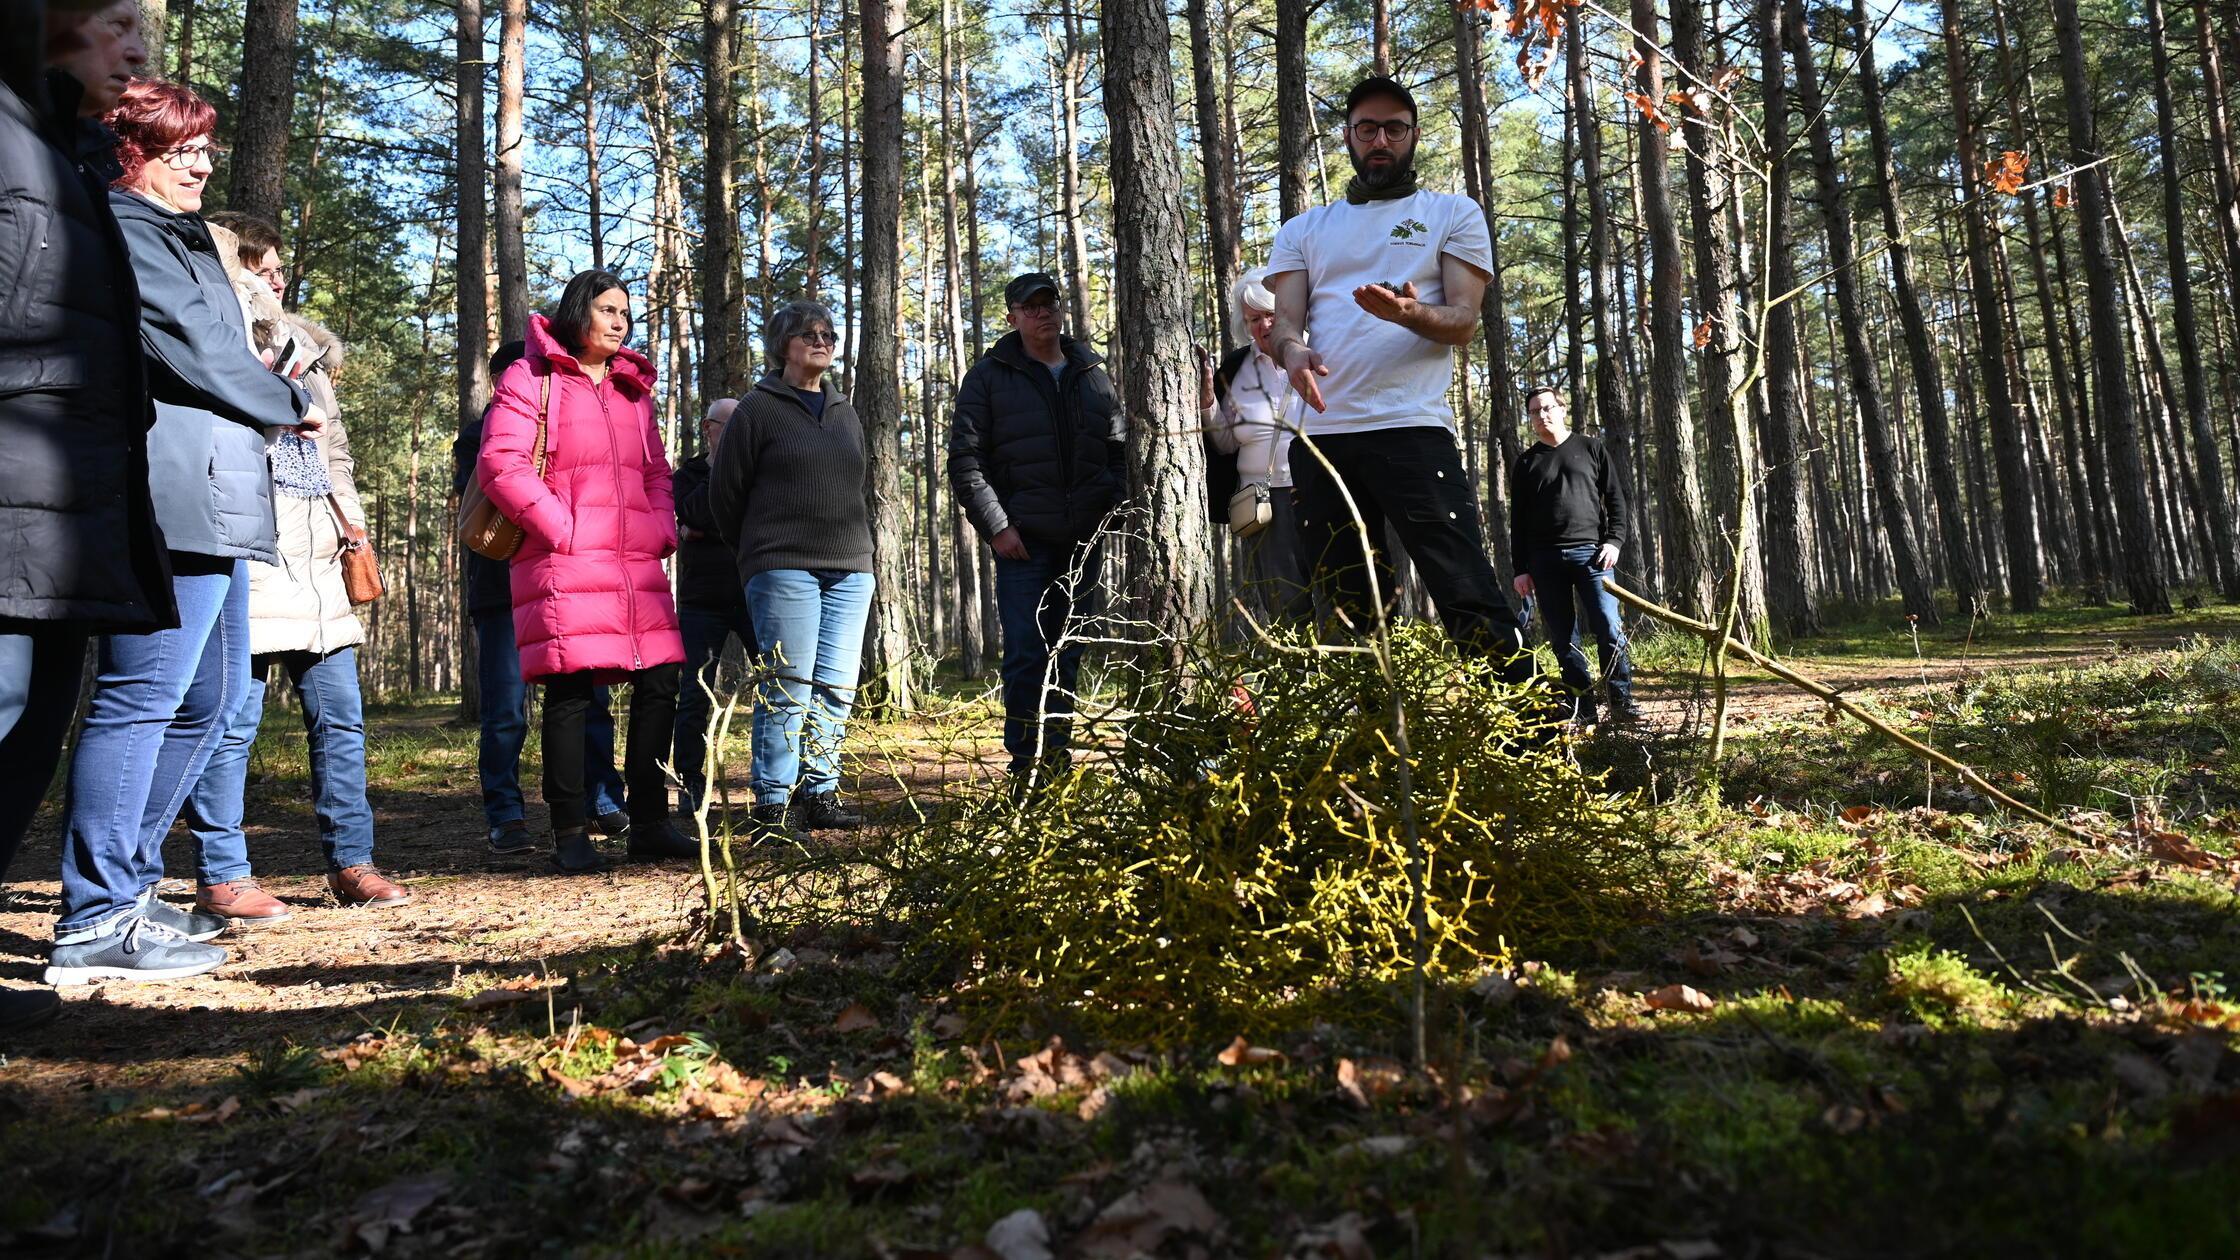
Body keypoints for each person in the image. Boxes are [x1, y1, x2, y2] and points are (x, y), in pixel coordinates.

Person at [47, 77, 327, 985]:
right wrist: (287, 400)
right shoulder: (129, 229)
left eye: (207, 148)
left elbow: (222, 348)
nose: (203, 163)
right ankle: (95, 915)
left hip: (224, 491)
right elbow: (193, 351)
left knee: (210, 704)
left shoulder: (180, 231)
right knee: (142, 697)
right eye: (182, 152)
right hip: (174, 490)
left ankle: (125, 889)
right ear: (131, 153)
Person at [0, 0, 169, 1026]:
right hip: (15, 485)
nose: (137, 47)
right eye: (114, 23)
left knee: (31, 730)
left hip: (63, 503)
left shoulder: (63, 155)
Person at [177, 213, 409, 925]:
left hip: (317, 559)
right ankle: (222, 873)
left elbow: (333, 450)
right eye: (263, 268)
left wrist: (354, 523)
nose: (279, 280)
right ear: (233, 273)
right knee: (231, 723)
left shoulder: (305, 353)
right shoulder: (214, 341)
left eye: (281, 269)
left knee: (340, 721)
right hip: (249, 548)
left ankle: (352, 862)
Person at [1265, 75, 1529, 680]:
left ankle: (1534, 740)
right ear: (1349, 138)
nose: (1379, 139)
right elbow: (1284, 325)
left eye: (1393, 128)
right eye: (1367, 128)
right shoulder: (1305, 229)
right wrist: (1292, 354)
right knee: (1350, 610)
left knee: (1465, 589)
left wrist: (1410, 313)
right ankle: (1372, 751)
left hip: (1411, 429)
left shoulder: (1451, 214)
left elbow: (1463, 323)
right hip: (1321, 441)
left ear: (1412, 135)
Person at [477, 269, 692, 872]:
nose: (620, 320)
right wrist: (564, 529)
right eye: (607, 309)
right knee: (573, 691)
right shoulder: (531, 376)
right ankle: (571, 832)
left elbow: (656, 472)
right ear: (579, 313)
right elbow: (502, 464)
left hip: (635, 562)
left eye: (625, 311)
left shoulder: (633, 389)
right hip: (564, 559)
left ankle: (650, 821)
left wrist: (660, 529)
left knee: (660, 683)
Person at [452, 343, 633, 855]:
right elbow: (498, 493)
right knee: (508, 709)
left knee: (588, 698)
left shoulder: (574, 421)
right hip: (503, 589)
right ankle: (506, 815)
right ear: (497, 383)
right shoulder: (477, 437)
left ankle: (602, 798)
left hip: (567, 583)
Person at [947, 273, 1125, 786]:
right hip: (1022, 543)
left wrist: (1111, 504)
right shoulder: (988, 376)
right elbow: (966, 459)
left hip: (1084, 539)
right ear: (1013, 317)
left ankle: (1057, 761)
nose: (1042, 313)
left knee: (1068, 651)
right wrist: (998, 527)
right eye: (1031, 307)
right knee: (1028, 651)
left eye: (1049, 304)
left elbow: (1117, 448)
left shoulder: (1091, 371)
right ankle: (1024, 765)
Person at [709, 301, 874, 835]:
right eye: (809, 334)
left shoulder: (844, 411)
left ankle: (821, 792)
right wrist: (760, 553)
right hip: (783, 567)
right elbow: (725, 494)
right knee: (787, 685)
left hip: (851, 567)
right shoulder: (757, 409)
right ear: (783, 344)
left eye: (829, 333)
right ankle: (772, 803)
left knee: (835, 686)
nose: (822, 341)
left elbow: (855, 484)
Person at [1510, 386, 1640, 726]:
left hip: (1593, 556)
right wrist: (1520, 569)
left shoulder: (1591, 448)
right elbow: (1518, 522)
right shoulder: (1526, 463)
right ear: (1531, 419)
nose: (1543, 415)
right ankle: (1584, 709)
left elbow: (1616, 501)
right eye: (1535, 411)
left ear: (1562, 409)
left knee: (1609, 629)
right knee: (1564, 638)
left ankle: (1622, 704)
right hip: (1544, 559)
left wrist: (1614, 541)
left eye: (1548, 407)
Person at [1201, 266, 1313, 625]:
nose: (1263, 326)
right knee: (1285, 606)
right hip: (1263, 503)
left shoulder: (1321, 352)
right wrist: (1207, 402)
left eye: (1270, 315)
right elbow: (1224, 443)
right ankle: (1296, 677)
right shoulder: (1236, 368)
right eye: (1253, 319)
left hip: (1323, 493)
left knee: (1336, 596)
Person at [672, 397, 760, 816]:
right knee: (694, 695)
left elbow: (755, 519)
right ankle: (690, 784)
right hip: (701, 600)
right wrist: (721, 468)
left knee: (776, 684)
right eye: (732, 424)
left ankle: (778, 785)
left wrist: (704, 530)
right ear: (709, 428)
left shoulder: (757, 469)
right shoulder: (687, 475)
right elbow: (690, 511)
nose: (742, 430)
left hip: (754, 591)